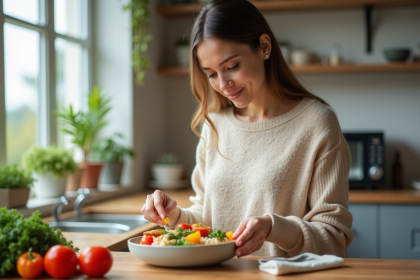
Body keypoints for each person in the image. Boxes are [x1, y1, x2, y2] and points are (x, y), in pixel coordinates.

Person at [141, 0, 353, 258]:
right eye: (211, 73)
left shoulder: (317, 122)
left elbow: (334, 238)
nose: (223, 84)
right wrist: (174, 215)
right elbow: (206, 218)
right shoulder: (215, 123)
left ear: (264, 47)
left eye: (232, 67)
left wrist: (273, 227)